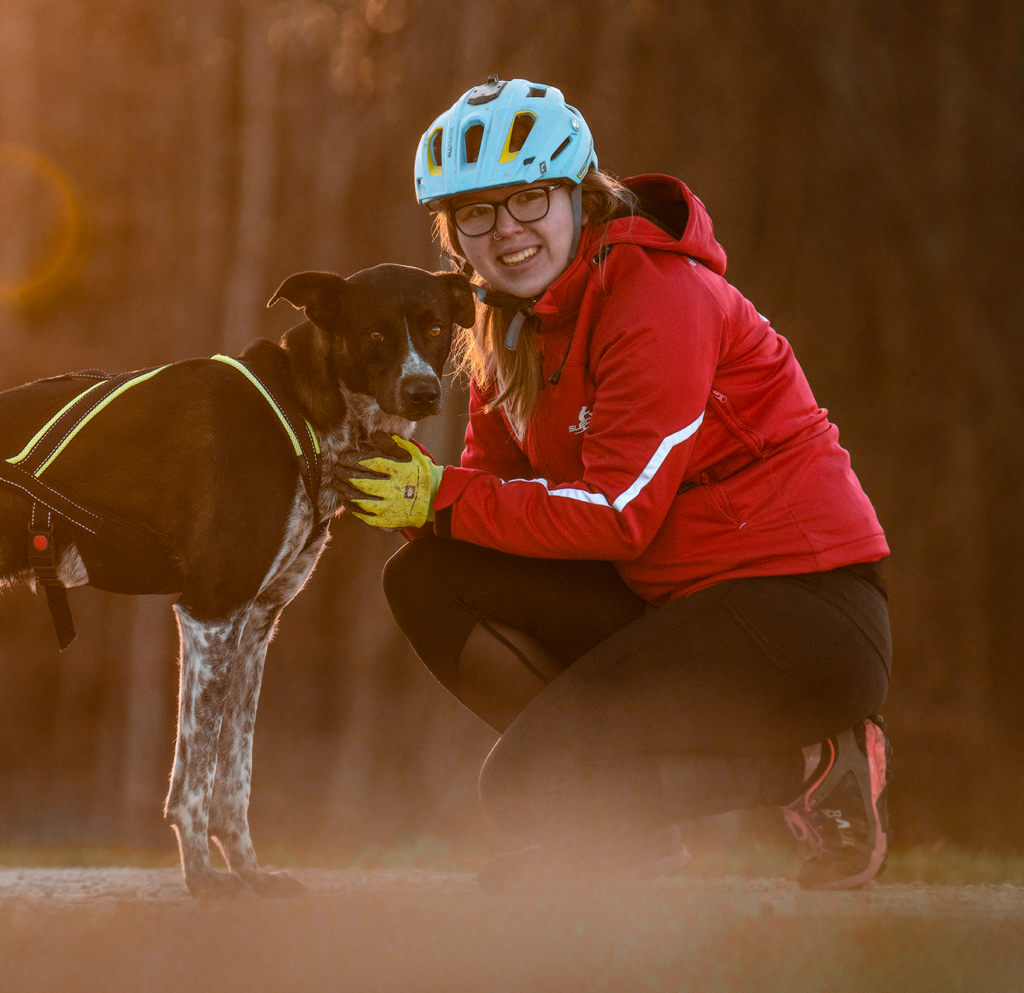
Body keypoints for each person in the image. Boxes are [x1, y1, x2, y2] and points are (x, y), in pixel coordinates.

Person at [345, 76, 893, 892]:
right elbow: (493, 501)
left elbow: (616, 515)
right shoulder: (505, 330)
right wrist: (412, 500)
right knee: (427, 575)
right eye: (475, 212)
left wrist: (441, 499)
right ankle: (625, 838)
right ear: (452, 232)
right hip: (667, 599)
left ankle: (815, 761)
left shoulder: (658, 293)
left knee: (529, 789)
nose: (506, 230)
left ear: (579, 192)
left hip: (804, 614)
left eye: (529, 197)